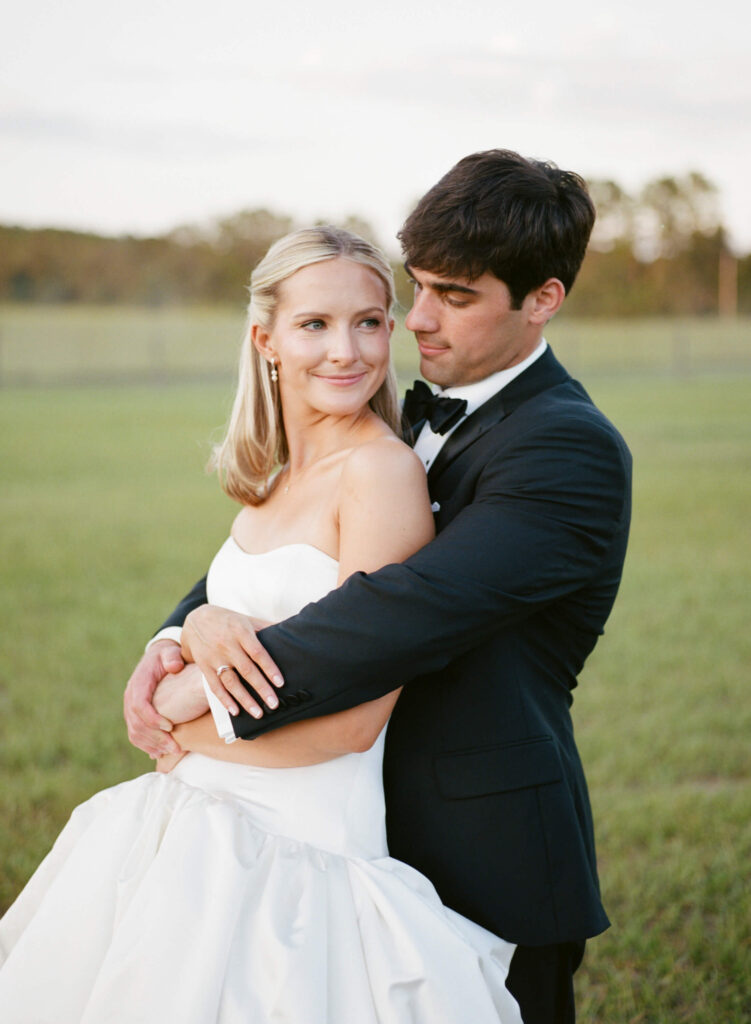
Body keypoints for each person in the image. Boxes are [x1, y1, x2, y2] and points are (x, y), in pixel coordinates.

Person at [125, 150, 633, 1023]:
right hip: (345, 826)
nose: (417, 321)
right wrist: (184, 626)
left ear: (542, 299)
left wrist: (184, 698)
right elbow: (285, 552)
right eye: (418, 287)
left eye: (458, 296)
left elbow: (392, 614)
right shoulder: (393, 406)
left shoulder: (566, 450)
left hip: (481, 848)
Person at [0, 227, 526, 1023]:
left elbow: (352, 724)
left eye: (369, 321)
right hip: (187, 829)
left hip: (294, 858)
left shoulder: (381, 474)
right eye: (314, 324)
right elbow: (235, 614)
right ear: (266, 339)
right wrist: (191, 630)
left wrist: (177, 717)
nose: (345, 350)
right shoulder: (275, 475)